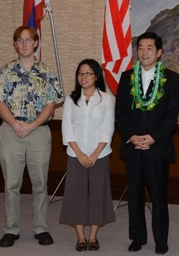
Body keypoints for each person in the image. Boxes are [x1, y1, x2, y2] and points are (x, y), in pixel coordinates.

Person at [0, 26, 64, 247]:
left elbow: (51, 105)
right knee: (11, 184)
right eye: (20, 40)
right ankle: (11, 229)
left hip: (39, 133)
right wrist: (15, 124)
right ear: (15, 44)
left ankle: (41, 228)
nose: (24, 44)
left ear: (35, 43)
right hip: (10, 132)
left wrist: (31, 126)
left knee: (39, 182)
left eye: (28, 40)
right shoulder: (5, 71)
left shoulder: (47, 72)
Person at [115, 32, 179, 255]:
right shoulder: (126, 78)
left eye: (149, 48)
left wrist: (153, 137)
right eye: (141, 48)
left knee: (158, 195)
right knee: (134, 195)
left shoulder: (171, 79)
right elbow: (121, 111)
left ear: (159, 52)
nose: (144, 52)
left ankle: (161, 240)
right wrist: (132, 136)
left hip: (158, 147)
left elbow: (172, 115)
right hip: (132, 147)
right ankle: (137, 237)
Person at [59, 59, 115, 252]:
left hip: (99, 155)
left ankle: (93, 237)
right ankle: (81, 237)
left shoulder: (106, 99)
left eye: (88, 73)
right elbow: (67, 128)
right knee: (77, 195)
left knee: (98, 195)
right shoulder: (71, 99)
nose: (84, 77)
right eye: (80, 73)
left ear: (96, 76)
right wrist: (80, 153)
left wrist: (94, 154)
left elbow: (108, 130)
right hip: (76, 155)